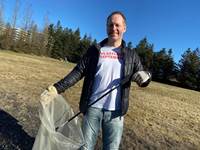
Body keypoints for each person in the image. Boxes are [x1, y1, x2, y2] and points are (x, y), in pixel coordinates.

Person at [43, 11, 151, 150]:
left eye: (117, 25)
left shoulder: (131, 55)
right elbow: (78, 72)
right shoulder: (95, 50)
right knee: (85, 147)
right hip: (92, 108)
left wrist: (145, 77)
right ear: (106, 27)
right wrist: (57, 88)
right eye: (110, 25)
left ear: (124, 28)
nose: (113, 28)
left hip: (116, 112)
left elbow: (143, 76)